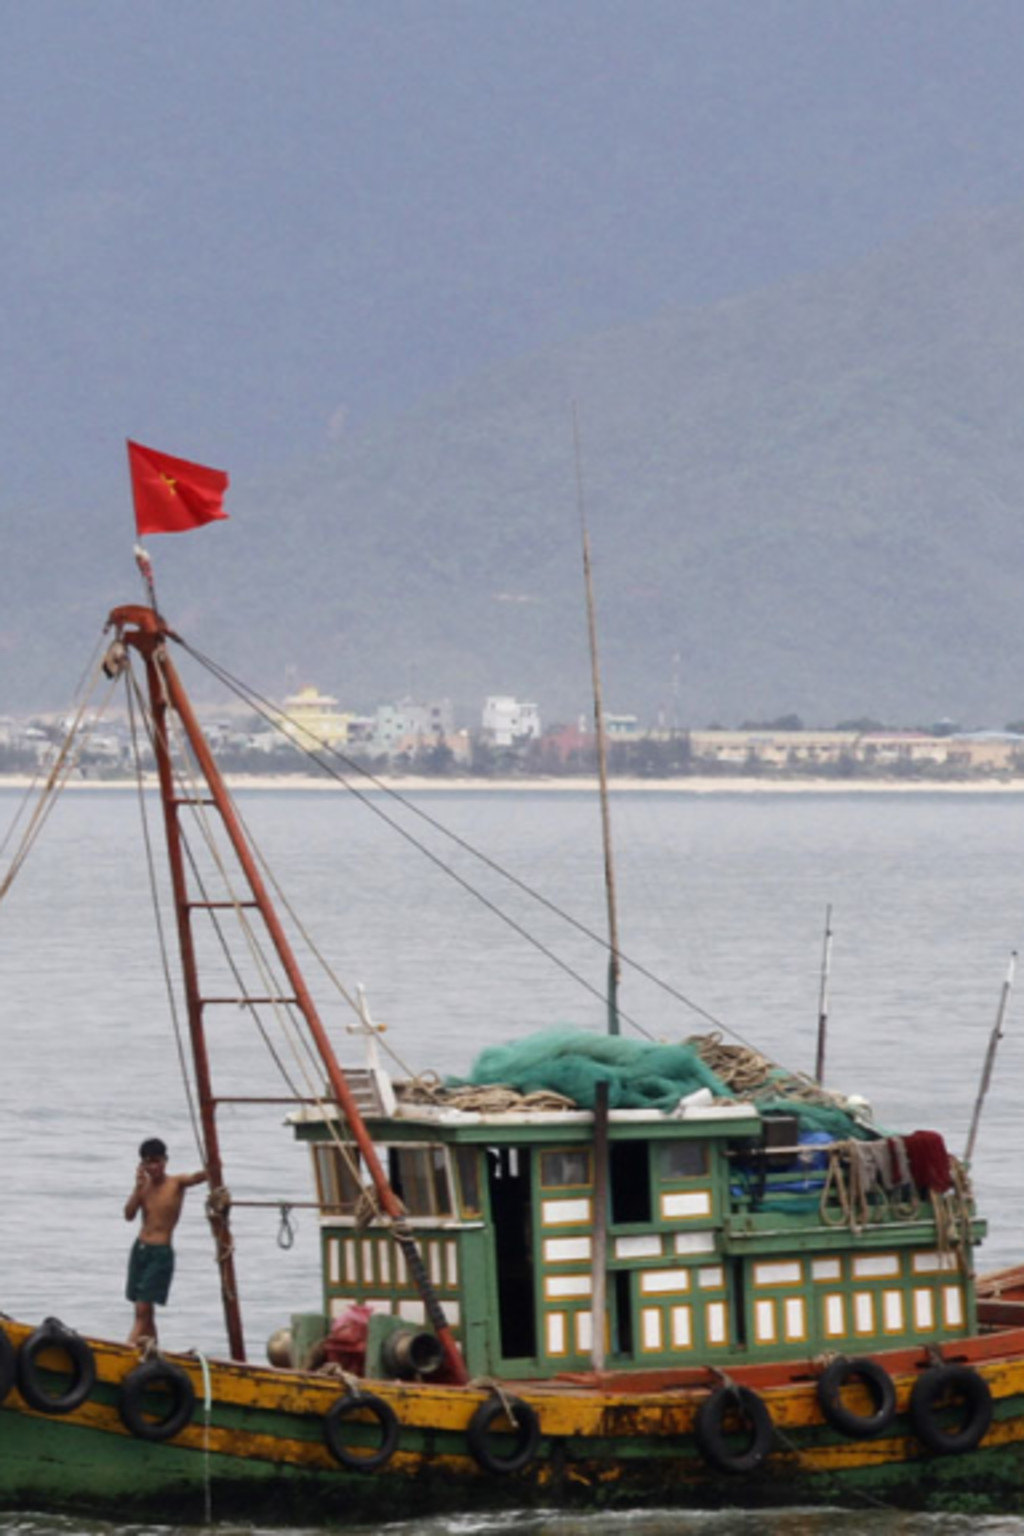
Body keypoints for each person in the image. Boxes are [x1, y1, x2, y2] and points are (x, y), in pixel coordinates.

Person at [124, 1137, 208, 1346]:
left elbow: (198, 1177)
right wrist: (137, 1188)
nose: (154, 1167)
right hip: (140, 1248)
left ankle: (128, 1346)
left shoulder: (176, 1183)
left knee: (142, 1308)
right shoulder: (143, 1187)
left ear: (165, 1161)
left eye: (157, 1161)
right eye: (148, 1163)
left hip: (160, 1251)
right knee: (143, 1308)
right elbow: (129, 1214)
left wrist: (212, 1167)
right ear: (142, 1165)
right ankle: (152, 1349)